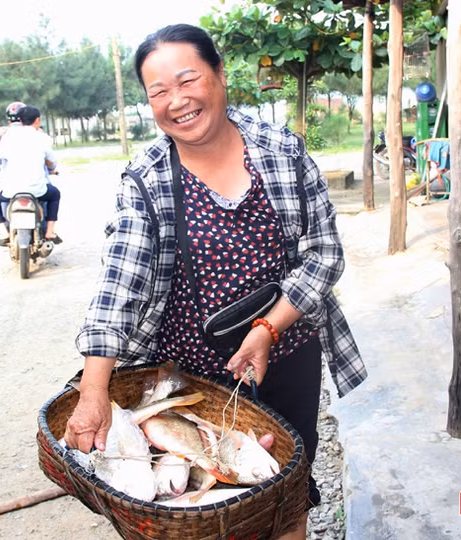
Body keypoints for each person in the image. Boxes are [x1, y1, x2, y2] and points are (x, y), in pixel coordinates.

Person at [63, 24, 366, 539]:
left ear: (220, 75)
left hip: (286, 353)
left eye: (188, 80)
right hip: (193, 380)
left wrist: (268, 329)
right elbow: (120, 285)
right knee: (204, 505)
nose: (176, 101)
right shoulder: (149, 179)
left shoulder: (278, 151)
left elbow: (324, 253)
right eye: (158, 92)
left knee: (284, 490)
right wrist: (93, 387)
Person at [0, 104, 62, 246]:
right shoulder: (42, 138)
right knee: (55, 194)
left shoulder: (7, 137)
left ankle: (3, 231)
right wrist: (51, 168)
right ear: (37, 120)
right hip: (37, 190)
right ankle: (50, 231)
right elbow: (51, 163)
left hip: (10, 191)